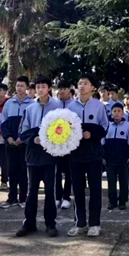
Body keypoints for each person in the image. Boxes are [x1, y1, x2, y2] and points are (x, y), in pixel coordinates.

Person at [15, 76, 60, 238]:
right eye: (38, 87)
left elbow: (64, 128)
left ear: (49, 88)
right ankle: (29, 223)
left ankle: (50, 224)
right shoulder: (30, 108)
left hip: (50, 155)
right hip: (33, 155)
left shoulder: (57, 107)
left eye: (44, 86)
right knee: (31, 190)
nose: (41, 89)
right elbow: (23, 130)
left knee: (50, 190)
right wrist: (32, 139)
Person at [66, 74, 109, 237]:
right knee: (77, 189)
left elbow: (105, 126)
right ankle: (80, 223)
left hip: (93, 153)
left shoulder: (98, 106)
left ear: (92, 87)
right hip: (75, 154)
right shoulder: (70, 107)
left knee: (95, 189)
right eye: (79, 83)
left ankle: (94, 224)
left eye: (85, 83)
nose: (81, 86)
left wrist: (92, 134)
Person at [0, 76, 34, 209]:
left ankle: (23, 198)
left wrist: (22, 139)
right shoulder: (9, 103)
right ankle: (12, 197)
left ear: (27, 88)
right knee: (12, 170)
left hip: (24, 144)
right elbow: (4, 122)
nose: (19, 88)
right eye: (17, 85)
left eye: (22, 86)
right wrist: (8, 137)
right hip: (11, 143)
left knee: (23, 171)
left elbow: (32, 125)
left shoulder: (32, 104)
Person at [104, 103, 129, 210]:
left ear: (123, 113)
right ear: (111, 113)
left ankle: (122, 201)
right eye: (114, 111)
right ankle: (112, 201)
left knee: (123, 181)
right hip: (110, 159)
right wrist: (103, 156)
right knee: (111, 181)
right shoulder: (107, 125)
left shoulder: (128, 126)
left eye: (119, 111)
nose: (116, 113)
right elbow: (103, 142)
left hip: (123, 159)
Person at [55, 79, 74, 210]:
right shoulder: (54, 104)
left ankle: (66, 197)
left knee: (68, 171)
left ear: (69, 90)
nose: (62, 91)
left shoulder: (74, 105)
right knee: (56, 171)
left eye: (64, 88)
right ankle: (57, 196)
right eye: (60, 89)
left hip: (70, 143)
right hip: (55, 143)